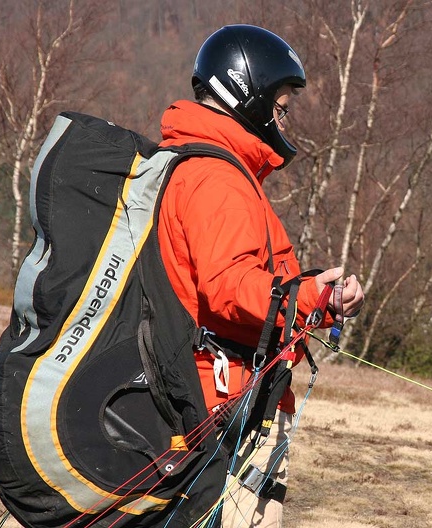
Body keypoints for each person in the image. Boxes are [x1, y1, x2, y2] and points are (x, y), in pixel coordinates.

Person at [157, 24, 364, 527]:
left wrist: (311, 296)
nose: (282, 116)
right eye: (281, 103)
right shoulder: (217, 178)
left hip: (223, 397)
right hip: (223, 405)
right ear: (246, 93)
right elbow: (228, 287)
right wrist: (310, 296)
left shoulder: (201, 164)